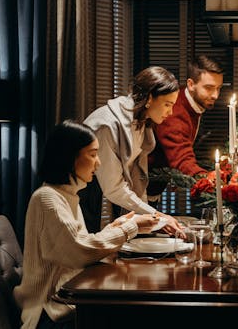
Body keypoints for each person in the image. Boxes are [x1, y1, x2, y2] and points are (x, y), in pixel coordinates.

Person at [14, 120, 161, 329]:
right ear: (69, 157)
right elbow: (81, 250)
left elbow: (76, 246)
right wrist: (130, 228)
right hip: (49, 315)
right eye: (92, 154)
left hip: (69, 305)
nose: (99, 163)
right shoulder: (47, 199)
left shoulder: (66, 196)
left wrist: (115, 227)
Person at [79, 66, 182, 233]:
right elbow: (113, 188)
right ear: (149, 98)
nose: (170, 112)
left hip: (100, 192)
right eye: (167, 105)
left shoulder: (142, 123)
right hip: (81, 195)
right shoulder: (108, 126)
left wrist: (152, 219)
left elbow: (137, 177)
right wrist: (156, 216)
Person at [146, 55, 224, 197]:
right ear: (190, 84)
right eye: (209, 88)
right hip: (140, 185)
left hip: (152, 185)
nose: (215, 95)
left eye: (219, 88)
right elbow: (182, 160)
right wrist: (213, 182)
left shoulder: (190, 102)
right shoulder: (174, 112)